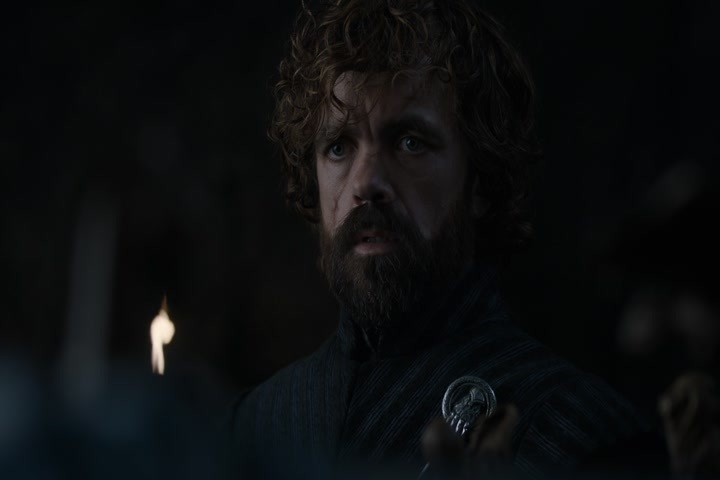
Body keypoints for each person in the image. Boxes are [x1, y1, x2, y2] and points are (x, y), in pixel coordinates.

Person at [227, 0, 647, 477]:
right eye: (339, 147)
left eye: (410, 142)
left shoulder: (580, 434)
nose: (366, 182)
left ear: (480, 180)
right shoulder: (254, 426)